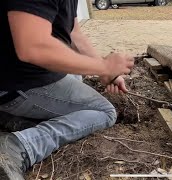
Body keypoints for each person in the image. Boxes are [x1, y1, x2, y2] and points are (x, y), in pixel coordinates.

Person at [0, 0, 134, 179]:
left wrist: (106, 72)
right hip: (15, 82)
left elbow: (73, 33)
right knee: (104, 111)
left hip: (19, 76)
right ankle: (18, 146)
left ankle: (13, 117)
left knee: (77, 75)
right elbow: (32, 46)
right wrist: (102, 66)